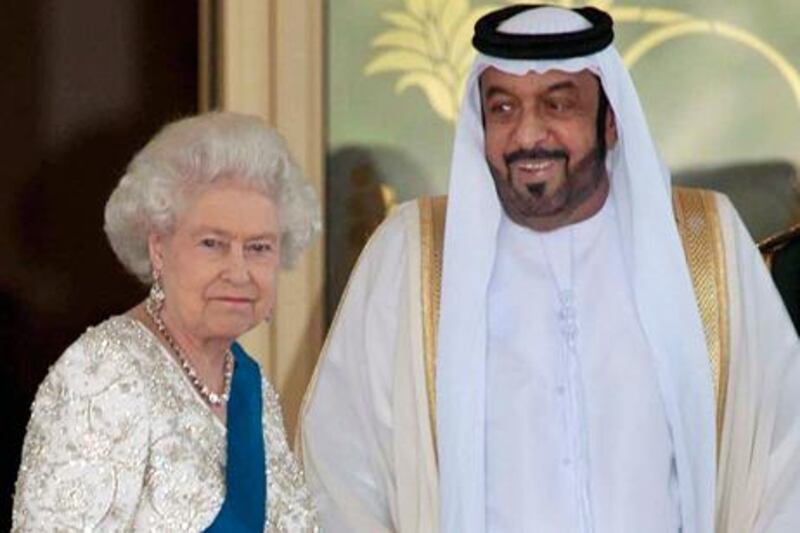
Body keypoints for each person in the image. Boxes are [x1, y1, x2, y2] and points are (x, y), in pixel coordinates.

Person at [300, 5, 800, 533]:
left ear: (609, 121)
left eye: (558, 104)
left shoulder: (702, 242)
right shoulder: (413, 254)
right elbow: (341, 471)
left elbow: (783, 454)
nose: (527, 135)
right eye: (504, 108)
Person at [13, 112, 321, 531]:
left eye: (259, 248)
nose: (239, 271)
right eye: (213, 244)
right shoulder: (103, 372)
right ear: (159, 248)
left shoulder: (249, 385)